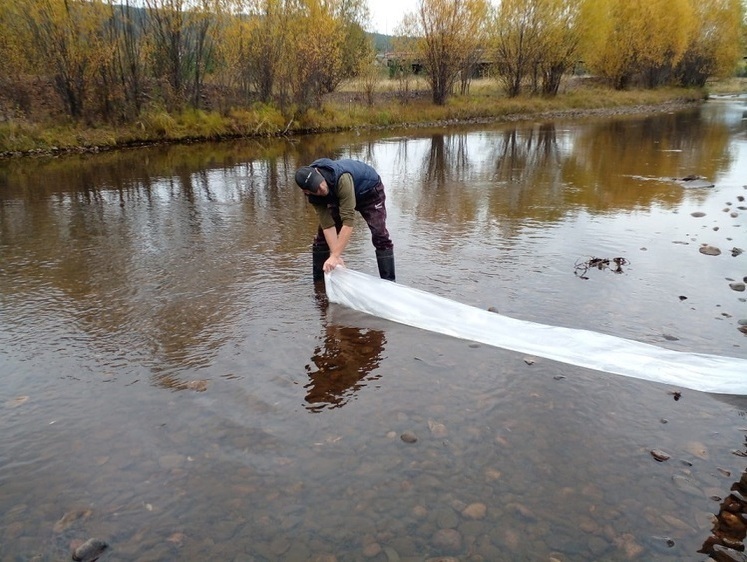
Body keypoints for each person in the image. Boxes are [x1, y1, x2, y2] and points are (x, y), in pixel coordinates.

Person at [295, 158, 395, 282]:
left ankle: (389, 282)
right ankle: (320, 282)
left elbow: (348, 221)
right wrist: (335, 256)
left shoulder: (341, 178)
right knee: (321, 239)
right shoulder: (313, 197)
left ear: (318, 172)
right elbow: (327, 225)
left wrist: (335, 255)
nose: (322, 188)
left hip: (369, 192)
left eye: (320, 183)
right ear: (307, 191)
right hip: (339, 197)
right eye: (316, 189)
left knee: (380, 235)